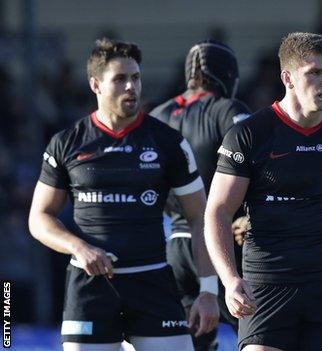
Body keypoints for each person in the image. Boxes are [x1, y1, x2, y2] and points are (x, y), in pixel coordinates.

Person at [28, 38, 216, 351]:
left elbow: (201, 217)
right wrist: (79, 248)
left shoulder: (168, 142)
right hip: (90, 288)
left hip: (153, 282)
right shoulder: (67, 142)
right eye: (120, 79)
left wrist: (208, 290)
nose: (131, 87)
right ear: (95, 85)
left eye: (136, 78)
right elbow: (39, 217)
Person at [204, 32, 322, 351]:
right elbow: (218, 210)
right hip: (268, 283)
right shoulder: (250, 135)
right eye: (315, 73)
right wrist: (230, 279)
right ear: (287, 78)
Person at [150, 39, 251, 351]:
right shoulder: (229, 111)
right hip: (223, 245)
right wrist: (250, 216)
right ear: (229, 76)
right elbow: (259, 169)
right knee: (260, 331)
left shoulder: (155, 116)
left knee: (194, 342)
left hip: (172, 247)